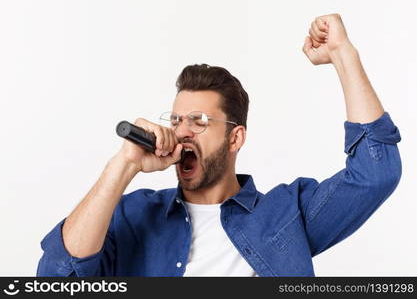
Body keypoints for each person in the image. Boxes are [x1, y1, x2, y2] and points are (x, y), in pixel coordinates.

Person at [37, 14, 402, 277]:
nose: (182, 132)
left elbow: (376, 173)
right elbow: (56, 277)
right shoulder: (133, 217)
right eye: (177, 120)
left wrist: (343, 56)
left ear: (235, 138)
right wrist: (125, 164)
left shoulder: (288, 214)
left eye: (199, 121)